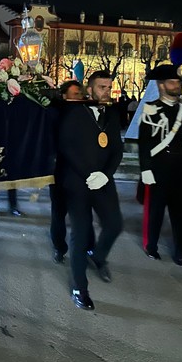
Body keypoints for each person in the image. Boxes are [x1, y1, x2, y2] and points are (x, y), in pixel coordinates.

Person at [56, 70, 123, 309]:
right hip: (77, 182)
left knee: (115, 224)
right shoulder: (74, 112)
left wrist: (105, 174)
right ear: (90, 89)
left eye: (109, 87)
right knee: (81, 233)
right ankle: (79, 288)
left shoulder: (112, 114)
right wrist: (88, 174)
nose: (107, 91)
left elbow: (117, 148)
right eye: (102, 87)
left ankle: (98, 256)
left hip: (103, 180)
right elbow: (66, 147)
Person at [138, 64, 182, 268]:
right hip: (159, 169)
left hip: (180, 171)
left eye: (178, 82)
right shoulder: (151, 108)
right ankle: (152, 247)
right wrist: (146, 169)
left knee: (181, 216)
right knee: (156, 212)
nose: (177, 85)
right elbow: (145, 141)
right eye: (172, 82)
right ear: (161, 85)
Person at [49, 79, 91, 264]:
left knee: (83, 213)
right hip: (59, 173)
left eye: (80, 95)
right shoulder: (54, 113)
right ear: (64, 95)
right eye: (75, 95)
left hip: (81, 173)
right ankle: (59, 247)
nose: (79, 98)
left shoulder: (86, 113)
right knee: (59, 214)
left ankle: (88, 246)